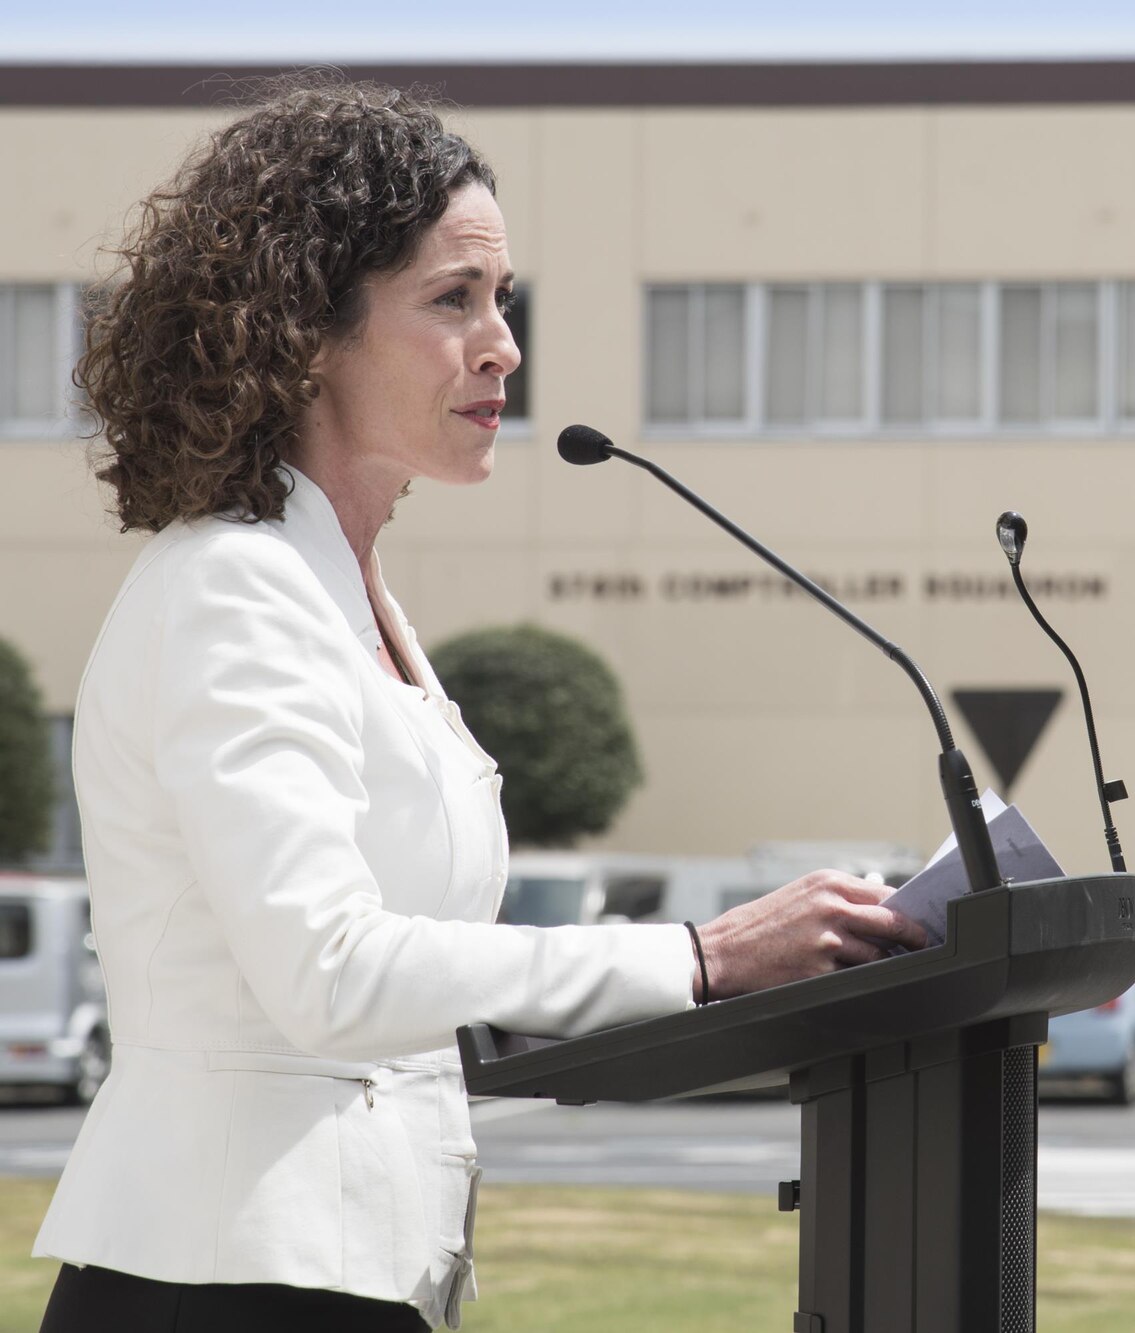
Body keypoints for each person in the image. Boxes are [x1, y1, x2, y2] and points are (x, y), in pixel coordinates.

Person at [35, 81, 927, 1333]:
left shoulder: (349, 591)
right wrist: (697, 955)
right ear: (303, 331)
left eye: (500, 300)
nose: (503, 345)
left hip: (350, 1277)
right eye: (453, 300)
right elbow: (329, 969)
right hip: (226, 1279)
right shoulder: (234, 587)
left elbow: (421, 992)